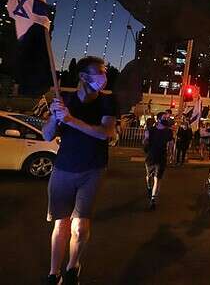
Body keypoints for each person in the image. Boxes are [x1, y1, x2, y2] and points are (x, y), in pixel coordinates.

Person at [42, 56, 117, 285]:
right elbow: (47, 135)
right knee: (61, 223)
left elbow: (106, 133)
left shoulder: (107, 102)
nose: (104, 76)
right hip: (63, 168)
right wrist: (56, 118)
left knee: (80, 226)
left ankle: (73, 265)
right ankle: (54, 273)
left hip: (92, 169)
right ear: (84, 76)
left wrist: (71, 119)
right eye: (100, 71)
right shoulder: (65, 99)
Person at [144, 111, 174, 210]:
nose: (166, 119)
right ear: (158, 119)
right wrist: (146, 138)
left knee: (157, 178)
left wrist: (170, 154)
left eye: (167, 118)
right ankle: (149, 187)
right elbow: (145, 142)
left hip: (162, 157)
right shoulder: (151, 130)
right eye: (164, 118)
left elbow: (170, 144)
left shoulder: (169, 131)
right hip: (151, 156)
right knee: (149, 177)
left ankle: (153, 199)